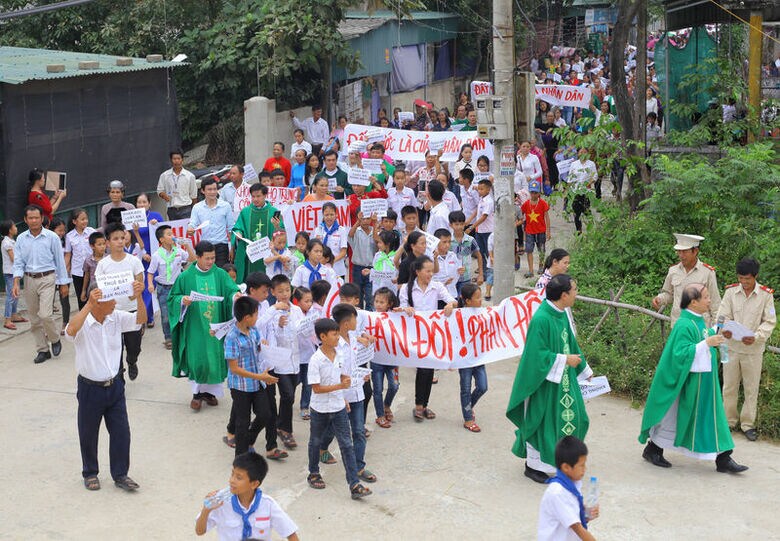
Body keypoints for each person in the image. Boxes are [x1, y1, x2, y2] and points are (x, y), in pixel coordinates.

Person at [639, 284, 749, 474]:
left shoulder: (697, 320)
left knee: (709, 416)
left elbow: (702, 337)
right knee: (675, 415)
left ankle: (722, 456)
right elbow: (680, 354)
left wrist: (716, 331)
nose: (709, 300)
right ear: (693, 302)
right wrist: (707, 343)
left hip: (702, 379)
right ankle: (654, 448)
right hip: (690, 381)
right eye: (705, 297)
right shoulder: (683, 324)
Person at [506, 274, 592, 483]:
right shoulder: (541, 319)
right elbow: (535, 356)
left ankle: (560, 461)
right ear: (564, 295)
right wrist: (563, 360)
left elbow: (571, 343)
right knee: (542, 422)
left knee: (578, 418)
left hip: (564, 380)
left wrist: (584, 369)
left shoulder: (561, 313)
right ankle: (533, 466)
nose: (576, 294)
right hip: (544, 384)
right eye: (574, 290)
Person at [65, 283, 146, 492]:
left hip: (115, 386)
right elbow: (70, 330)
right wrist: (88, 304)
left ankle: (120, 474)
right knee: (88, 432)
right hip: (90, 388)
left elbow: (140, 320)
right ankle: (90, 472)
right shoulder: (83, 322)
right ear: (98, 301)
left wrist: (139, 297)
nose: (116, 303)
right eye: (111, 299)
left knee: (121, 432)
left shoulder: (115, 317)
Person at [169, 241, 241, 410]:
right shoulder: (185, 276)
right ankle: (197, 394)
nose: (211, 262)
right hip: (195, 326)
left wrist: (235, 296)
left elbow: (231, 290)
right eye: (207, 258)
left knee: (213, 360)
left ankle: (209, 393)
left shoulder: (220, 274)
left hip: (216, 326)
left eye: (213, 258)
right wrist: (182, 301)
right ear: (198, 257)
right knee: (198, 359)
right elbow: (173, 298)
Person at [306, 318, 372, 500]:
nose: (337, 337)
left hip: (338, 406)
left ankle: (354, 484)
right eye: (334, 334)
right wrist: (340, 387)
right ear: (323, 336)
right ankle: (313, 472)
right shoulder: (315, 360)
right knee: (316, 441)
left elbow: (343, 376)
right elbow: (316, 388)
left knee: (347, 444)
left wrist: (354, 382)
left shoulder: (339, 355)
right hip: (320, 408)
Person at [716, 258, 776, 441]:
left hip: (753, 350)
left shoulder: (766, 295)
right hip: (731, 347)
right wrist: (725, 329)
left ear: (755, 276)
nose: (744, 282)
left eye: (747, 279)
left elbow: (770, 320)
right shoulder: (731, 292)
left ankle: (748, 425)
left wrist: (757, 336)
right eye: (741, 278)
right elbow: (721, 316)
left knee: (751, 388)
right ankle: (728, 422)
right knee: (729, 386)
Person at [319, 303, 377, 485]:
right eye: (354, 318)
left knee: (358, 431)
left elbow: (357, 361)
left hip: (357, 391)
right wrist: (341, 396)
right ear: (346, 322)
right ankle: (322, 448)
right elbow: (331, 372)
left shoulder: (353, 337)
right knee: (332, 429)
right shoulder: (334, 345)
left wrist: (362, 375)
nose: (356, 321)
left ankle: (359, 466)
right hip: (340, 395)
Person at [398, 256, 457, 422]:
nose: (431, 274)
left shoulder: (436, 286)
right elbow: (400, 307)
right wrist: (406, 309)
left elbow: (452, 300)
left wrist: (449, 305)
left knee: (429, 369)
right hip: (414, 335)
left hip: (432, 334)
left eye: (432, 271)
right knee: (423, 368)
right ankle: (419, 405)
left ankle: (423, 405)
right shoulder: (406, 289)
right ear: (418, 272)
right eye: (428, 271)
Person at [12, 205, 70, 364]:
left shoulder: (52, 237)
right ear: (25, 220)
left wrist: (63, 283)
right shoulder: (21, 239)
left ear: (42, 218)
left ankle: (54, 338)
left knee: (45, 314)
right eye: (30, 218)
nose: (34, 221)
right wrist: (16, 282)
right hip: (29, 279)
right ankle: (43, 350)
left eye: (37, 217)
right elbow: (18, 262)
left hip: (48, 278)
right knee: (34, 318)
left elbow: (59, 261)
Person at [196, 452, 299, 540]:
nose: (231, 480)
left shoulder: (268, 504)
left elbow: (291, 534)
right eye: (232, 474)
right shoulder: (220, 502)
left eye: (239, 478)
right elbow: (199, 531)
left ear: (254, 484)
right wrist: (206, 510)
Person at [224, 296, 277, 456]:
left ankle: (249, 439)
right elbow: (234, 368)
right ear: (247, 318)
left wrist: (263, 348)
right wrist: (260, 377)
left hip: (256, 383)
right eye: (255, 314)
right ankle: (240, 459)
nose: (257, 317)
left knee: (265, 414)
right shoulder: (232, 338)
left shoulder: (253, 330)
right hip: (241, 386)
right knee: (242, 421)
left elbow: (257, 350)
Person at [94, 223, 145, 380]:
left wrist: (137, 288)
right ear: (108, 242)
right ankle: (119, 375)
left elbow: (140, 284)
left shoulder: (133, 261)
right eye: (115, 239)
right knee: (115, 347)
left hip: (131, 310)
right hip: (112, 313)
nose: (120, 242)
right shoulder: (103, 265)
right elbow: (100, 289)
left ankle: (132, 361)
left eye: (122, 238)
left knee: (134, 346)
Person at [538, 436, 599, 541]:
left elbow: (572, 513)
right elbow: (577, 528)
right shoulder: (557, 493)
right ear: (566, 467)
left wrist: (586, 515)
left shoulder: (573, 483)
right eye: (581, 465)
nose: (585, 469)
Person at [652, 234, 720, 326]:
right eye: (679, 252)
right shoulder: (673, 271)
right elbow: (670, 294)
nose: (681, 255)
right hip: (678, 325)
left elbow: (715, 303)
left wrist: (716, 329)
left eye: (684, 252)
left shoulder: (707, 273)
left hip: (700, 327)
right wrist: (660, 299)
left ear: (695, 251)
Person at [147, 225, 195, 349]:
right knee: (165, 314)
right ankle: (168, 338)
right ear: (161, 239)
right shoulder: (157, 255)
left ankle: (180, 336)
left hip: (177, 287)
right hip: (163, 288)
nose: (172, 236)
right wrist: (150, 284)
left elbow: (192, 259)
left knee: (180, 311)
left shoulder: (178, 251)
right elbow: (151, 272)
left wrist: (187, 246)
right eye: (169, 234)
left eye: (172, 233)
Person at [232, 183, 284, 282]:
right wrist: (238, 233)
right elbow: (238, 227)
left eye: (258, 196)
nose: (255, 199)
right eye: (253, 196)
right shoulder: (246, 212)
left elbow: (282, 233)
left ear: (265, 195)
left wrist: (277, 226)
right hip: (251, 254)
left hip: (268, 253)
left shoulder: (273, 211)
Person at [458, 283, 488, 432]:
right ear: (467, 301)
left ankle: (468, 406)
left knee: (483, 386)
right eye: (477, 298)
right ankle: (468, 419)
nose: (481, 300)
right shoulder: (458, 316)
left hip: (479, 357)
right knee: (466, 388)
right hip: (464, 360)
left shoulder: (483, 313)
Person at [132, 194, 164, 325]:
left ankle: (147, 314)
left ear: (149, 204)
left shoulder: (156, 216)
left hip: (155, 254)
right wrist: (142, 252)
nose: (142, 205)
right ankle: (146, 316)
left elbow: (165, 232)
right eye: (139, 202)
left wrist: (157, 225)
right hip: (140, 255)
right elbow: (130, 238)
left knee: (152, 285)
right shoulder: (132, 218)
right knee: (143, 286)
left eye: (144, 202)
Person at [370, 287, 400, 428]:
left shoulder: (396, 316)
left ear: (390, 304)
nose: (378, 304)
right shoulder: (370, 317)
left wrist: (406, 310)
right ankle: (380, 415)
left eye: (382, 302)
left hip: (392, 359)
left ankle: (386, 405)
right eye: (376, 301)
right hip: (376, 359)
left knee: (394, 385)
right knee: (378, 389)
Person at [189, 177, 235, 268]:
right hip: (205, 247)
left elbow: (231, 228)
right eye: (209, 189)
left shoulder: (225, 206)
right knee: (206, 273)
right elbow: (193, 223)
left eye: (215, 189)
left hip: (222, 246)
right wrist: (190, 228)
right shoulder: (197, 207)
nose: (213, 192)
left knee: (221, 274)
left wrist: (232, 248)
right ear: (203, 191)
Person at [520, 180, 551, 278]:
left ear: (539, 193)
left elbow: (547, 217)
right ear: (529, 192)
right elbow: (521, 216)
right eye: (532, 192)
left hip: (541, 230)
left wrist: (548, 231)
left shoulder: (543, 203)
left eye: (536, 192)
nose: (534, 194)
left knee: (541, 249)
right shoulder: (526, 204)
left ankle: (541, 267)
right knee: (529, 250)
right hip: (529, 231)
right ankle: (530, 270)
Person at [449, 211, 483, 295]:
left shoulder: (470, 240)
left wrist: (481, 274)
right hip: (451, 278)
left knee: (464, 302)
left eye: (461, 224)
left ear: (465, 224)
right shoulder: (448, 241)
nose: (459, 227)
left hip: (466, 278)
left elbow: (479, 256)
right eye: (456, 224)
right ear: (450, 225)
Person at [157, 150, 197, 220]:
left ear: (182, 160)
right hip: (171, 209)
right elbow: (159, 190)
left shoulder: (190, 176)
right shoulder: (165, 175)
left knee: (186, 230)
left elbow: (193, 195)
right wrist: (164, 195)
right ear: (171, 160)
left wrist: (194, 210)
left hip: (186, 209)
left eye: (178, 159)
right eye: (174, 159)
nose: (176, 161)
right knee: (173, 230)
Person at [348, 212, 377, 310]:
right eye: (363, 219)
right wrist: (357, 222)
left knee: (370, 296)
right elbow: (350, 234)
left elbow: (377, 240)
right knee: (357, 295)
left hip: (371, 268)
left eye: (368, 218)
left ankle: (369, 317)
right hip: (357, 268)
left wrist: (375, 222)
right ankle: (359, 316)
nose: (365, 221)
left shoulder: (374, 231)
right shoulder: (356, 231)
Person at [313, 202, 349, 280]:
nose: (329, 217)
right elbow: (314, 249)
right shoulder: (318, 230)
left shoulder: (341, 230)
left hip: (337, 269)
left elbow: (343, 251)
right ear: (323, 215)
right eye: (326, 215)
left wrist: (331, 261)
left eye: (332, 214)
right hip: (321, 268)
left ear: (336, 215)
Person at [1, 220, 27, 330]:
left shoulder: (11, 241)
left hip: (14, 272)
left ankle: (14, 315)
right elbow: (13, 258)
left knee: (15, 294)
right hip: (10, 272)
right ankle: (7, 319)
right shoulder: (7, 243)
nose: (16, 228)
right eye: (14, 226)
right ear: (10, 230)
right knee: (11, 296)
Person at [566, 149, 597, 234]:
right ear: (578, 154)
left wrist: (589, 183)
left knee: (586, 209)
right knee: (576, 211)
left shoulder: (591, 164)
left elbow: (595, 176)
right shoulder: (574, 164)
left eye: (585, 152)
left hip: (586, 191)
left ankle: (591, 228)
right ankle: (578, 230)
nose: (583, 154)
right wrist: (567, 191)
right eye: (581, 152)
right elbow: (570, 177)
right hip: (575, 190)